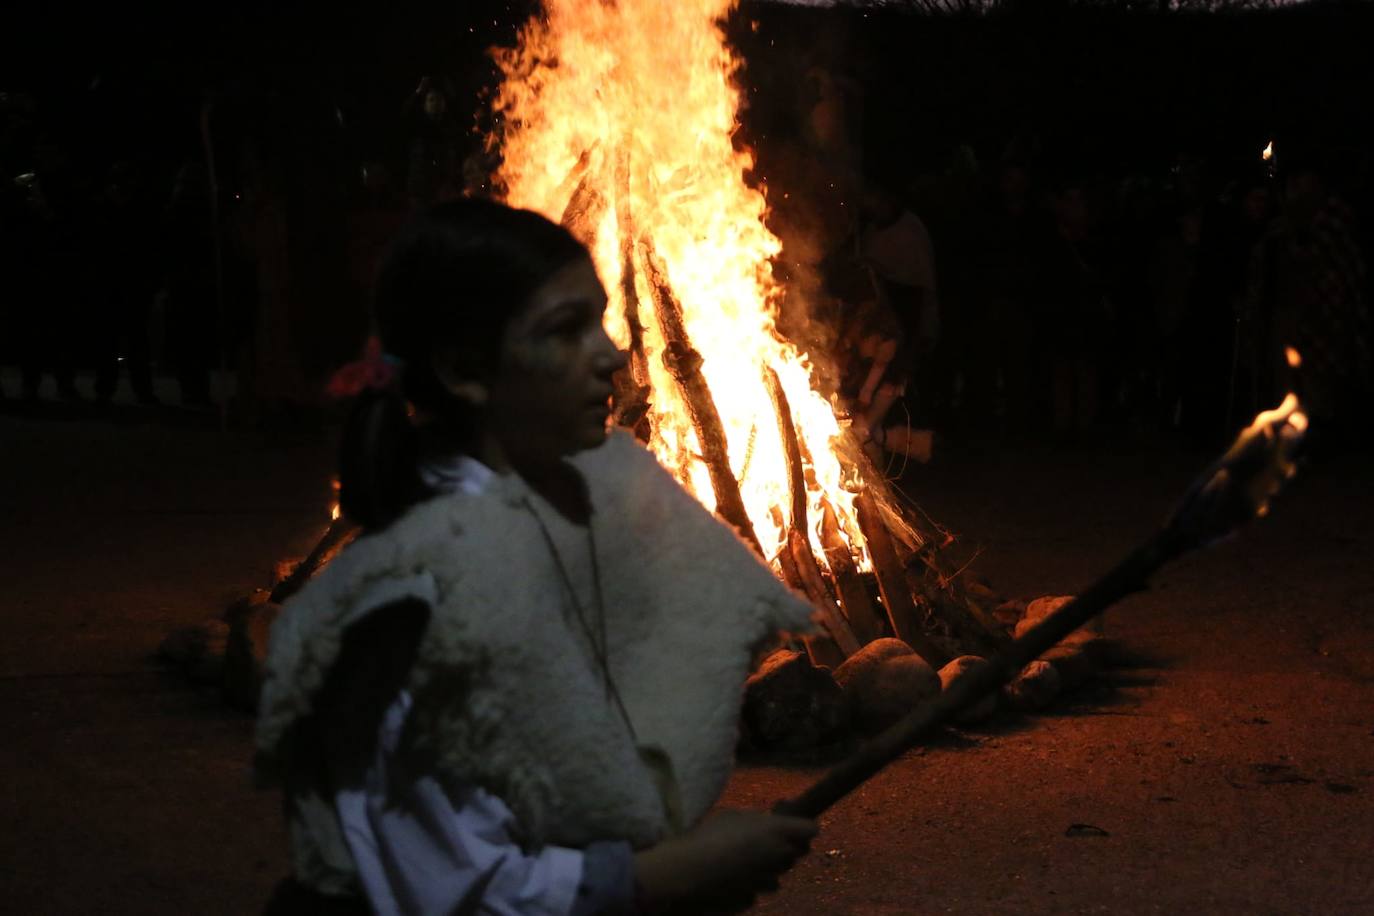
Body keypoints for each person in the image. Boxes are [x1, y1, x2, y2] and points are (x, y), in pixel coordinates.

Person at [254, 199, 818, 915]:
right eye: (566, 330)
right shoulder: (413, 601)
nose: (613, 354)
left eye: (602, 320)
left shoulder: (534, 532)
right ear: (463, 370)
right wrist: (668, 876)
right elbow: (453, 892)